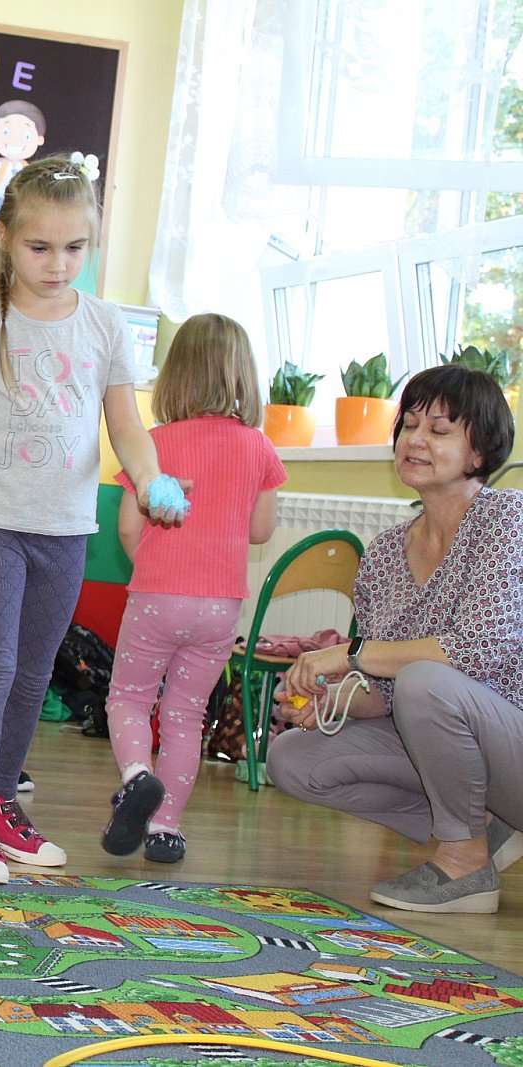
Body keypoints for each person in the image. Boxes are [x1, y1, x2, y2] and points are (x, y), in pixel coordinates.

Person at [0, 155, 186, 883]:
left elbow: (126, 425)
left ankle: (2, 804)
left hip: (66, 531)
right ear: (5, 237)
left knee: (33, 674)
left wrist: (150, 477)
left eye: (75, 248)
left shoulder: (105, 324)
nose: (58, 263)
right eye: (40, 247)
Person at [269, 364, 523, 914]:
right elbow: (385, 692)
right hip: (462, 748)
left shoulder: (506, 518)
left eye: (439, 429)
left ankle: (463, 862)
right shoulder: (385, 553)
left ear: (480, 451)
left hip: (514, 744)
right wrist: (332, 698)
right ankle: (480, 829)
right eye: (409, 425)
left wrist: (350, 653)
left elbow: (476, 650)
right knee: (291, 759)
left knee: (426, 680)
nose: (416, 440)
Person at [99, 313, 284, 863]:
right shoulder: (259, 447)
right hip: (220, 605)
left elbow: (127, 529)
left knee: (129, 699)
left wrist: (154, 569)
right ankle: (166, 828)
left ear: (175, 375)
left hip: (157, 597)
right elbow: (261, 531)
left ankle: (137, 777)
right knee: (186, 714)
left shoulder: (152, 445)